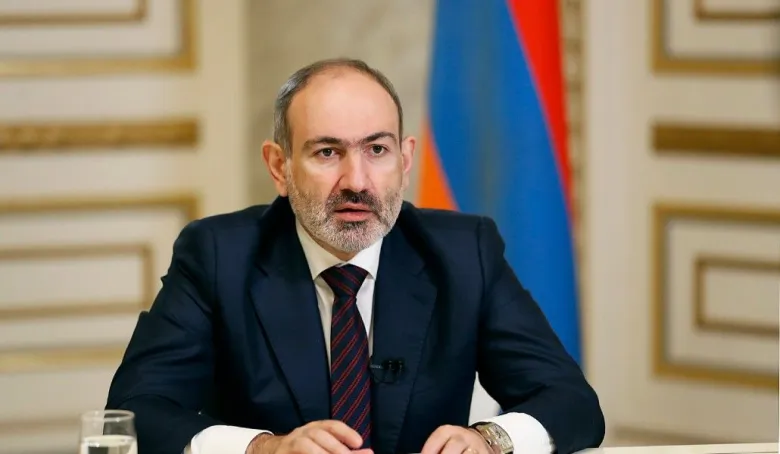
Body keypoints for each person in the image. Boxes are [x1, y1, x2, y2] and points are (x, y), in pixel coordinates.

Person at [106, 58, 605, 454]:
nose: (357, 181)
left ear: (405, 160)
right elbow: (134, 412)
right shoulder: (218, 255)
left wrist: (489, 440)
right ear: (279, 167)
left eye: (377, 150)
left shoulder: (463, 252)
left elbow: (572, 403)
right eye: (327, 152)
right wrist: (264, 448)